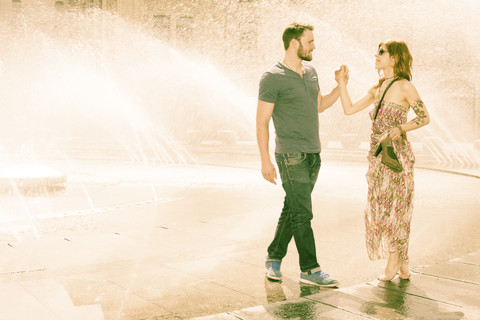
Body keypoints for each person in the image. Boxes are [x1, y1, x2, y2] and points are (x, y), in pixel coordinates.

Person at [256, 22, 343, 287]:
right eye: (310, 41)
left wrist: (340, 86)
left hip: (313, 154)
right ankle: (310, 269)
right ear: (295, 43)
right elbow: (262, 122)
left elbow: (320, 105)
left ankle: (273, 257)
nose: (314, 46)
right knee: (303, 212)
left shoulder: (311, 71)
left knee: (293, 208)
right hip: (290, 155)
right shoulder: (272, 77)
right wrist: (265, 161)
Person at [335, 40, 430, 281]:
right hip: (377, 156)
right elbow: (349, 109)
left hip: (396, 156)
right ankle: (403, 260)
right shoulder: (378, 87)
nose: (376, 56)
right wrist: (342, 84)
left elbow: (424, 117)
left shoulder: (405, 86)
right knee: (381, 207)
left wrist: (401, 127)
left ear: (394, 58)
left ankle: (393, 261)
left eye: (381, 52)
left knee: (396, 209)